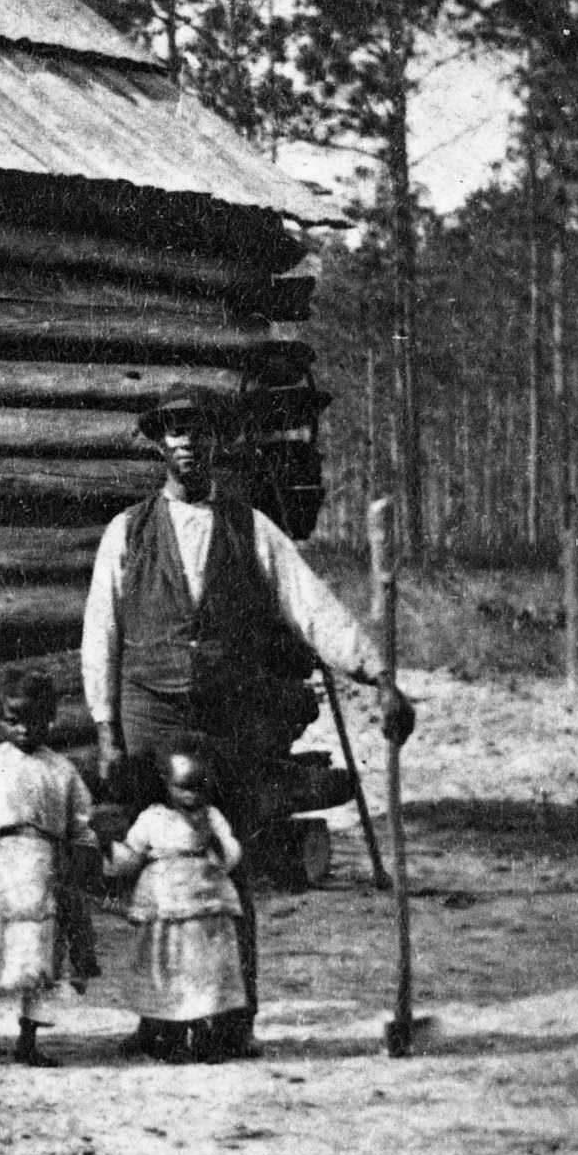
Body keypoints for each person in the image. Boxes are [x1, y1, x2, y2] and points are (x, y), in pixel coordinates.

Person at [80, 386, 415, 1058]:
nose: (186, 443)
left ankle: (234, 1019)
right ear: (157, 443)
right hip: (150, 713)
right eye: (173, 431)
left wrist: (377, 674)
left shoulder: (250, 526)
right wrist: (106, 728)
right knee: (154, 872)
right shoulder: (127, 530)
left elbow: (310, 604)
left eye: (198, 431)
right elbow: (100, 631)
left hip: (226, 720)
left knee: (230, 870)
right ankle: (157, 1017)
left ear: (215, 443)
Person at [0, 672, 101, 1071]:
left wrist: (81, 864)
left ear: (49, 719)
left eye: (33, 720)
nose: (23, 729)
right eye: (13, 719)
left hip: (41, 864)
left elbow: (80, 825)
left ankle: (28, 1041)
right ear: (0, 719)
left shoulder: (61, 770)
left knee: (37, 951)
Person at [108, 739, 249, 1060]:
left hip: (204, 908)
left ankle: (202, 1034)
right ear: (167, 785)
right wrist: (111, 853)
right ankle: (161, 1033)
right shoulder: (153, 818)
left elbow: (230, 855)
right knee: (165, 967)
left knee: (201, 971)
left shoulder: (212, 818)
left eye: (200, 789)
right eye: (184, 788)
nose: (192, 796)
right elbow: (131, 855)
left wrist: (215, 842)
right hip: (165, 906)